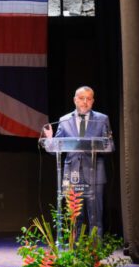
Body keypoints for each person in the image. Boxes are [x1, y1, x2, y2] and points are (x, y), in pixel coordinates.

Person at [43, 86, 113, 237]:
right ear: (75, 100)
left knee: (95, 217)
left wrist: (101, 144)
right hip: (72, 174)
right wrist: (50, 139)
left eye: (89, 99)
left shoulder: (102, 119)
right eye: (82, 98)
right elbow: (55, 148)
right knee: (75, 218)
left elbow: (110, 146)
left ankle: (95, 255)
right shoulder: (64, 120)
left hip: (95, 174)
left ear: (93, 101)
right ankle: (75, 255)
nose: (85, 102)